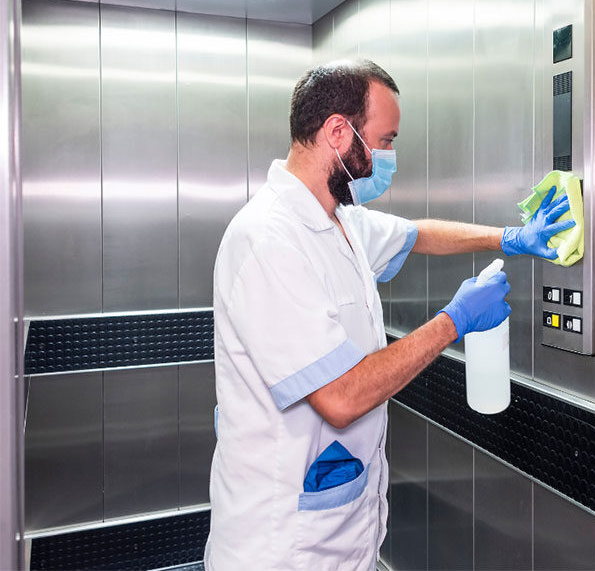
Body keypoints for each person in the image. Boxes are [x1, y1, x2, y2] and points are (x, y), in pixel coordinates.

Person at [203, 59, 573, 571]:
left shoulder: (340, 222)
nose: (389, 156)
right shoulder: (268, 240)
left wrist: (510, 238)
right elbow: (340, 397)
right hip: (281, 546)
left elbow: (417, 234)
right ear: (338, 131)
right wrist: (454, 321)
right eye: (386, 139)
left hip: (342, 535)